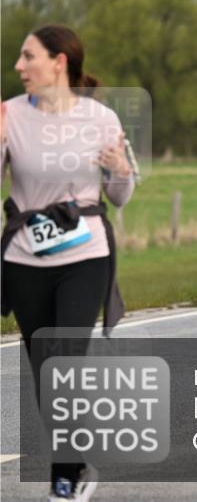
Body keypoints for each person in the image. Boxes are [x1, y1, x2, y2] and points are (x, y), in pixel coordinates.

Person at [1, 25, 136, 501]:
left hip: (85, 256)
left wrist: (121, 170)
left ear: (59, 62)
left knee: (65, 364)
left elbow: (120, 195)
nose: (19, 67)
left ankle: (65, 478)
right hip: (24, 259)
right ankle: (77, 460)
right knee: (45, 373)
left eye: (28, 57)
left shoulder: (101, 118)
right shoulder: (8, 115)